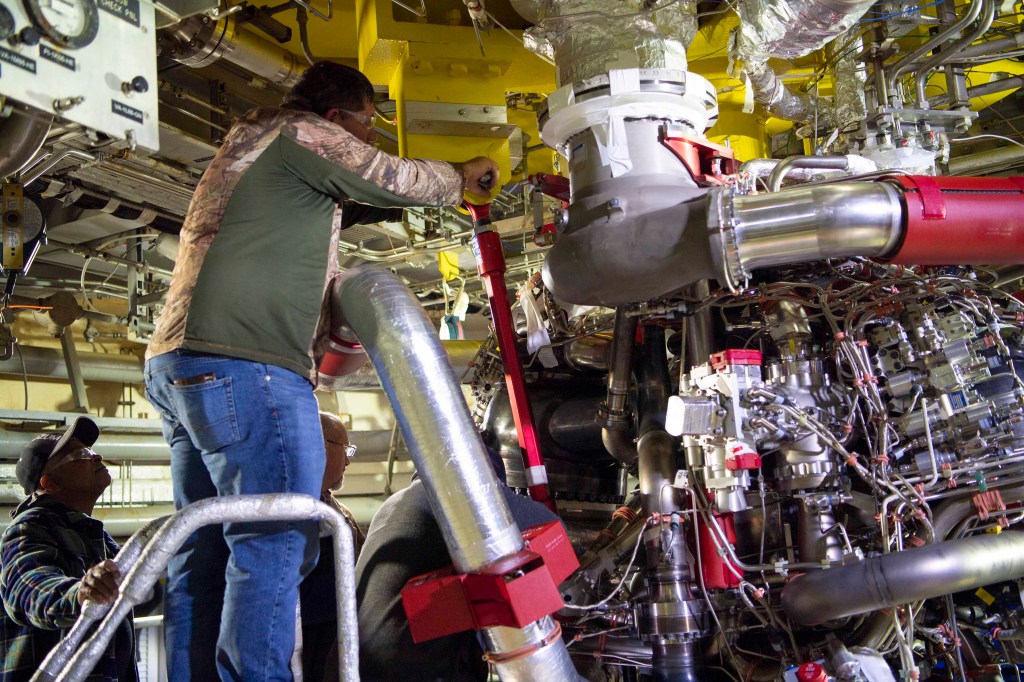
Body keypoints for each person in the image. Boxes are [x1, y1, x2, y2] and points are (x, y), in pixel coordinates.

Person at [143, 58, 498, 682]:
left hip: (181, 366)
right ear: (337, 117)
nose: (369, 140)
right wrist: (463, 177)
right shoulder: (304, 133)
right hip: (248, 366)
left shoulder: (255, 144)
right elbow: (391, 177)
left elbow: (354, 198)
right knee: (277, 542)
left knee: (199, 549)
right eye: (366, 126)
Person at [355, 450, 560, 681]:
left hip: (357, 663)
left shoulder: (395, 504)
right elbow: (551, 524)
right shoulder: (457, 497)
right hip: (415, 667)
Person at [0, 417, 137, 682]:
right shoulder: (29, 527)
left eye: (92, 452)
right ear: (51, 484)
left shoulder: (99, 540)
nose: (96, 458)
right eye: (79, 455)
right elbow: (27, 586)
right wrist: (78, 594)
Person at [298, 412, 363, 682]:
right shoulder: (296, 507)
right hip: (315, 646)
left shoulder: (333, 508)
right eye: (344, 449)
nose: (348, 460)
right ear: (321, 445)